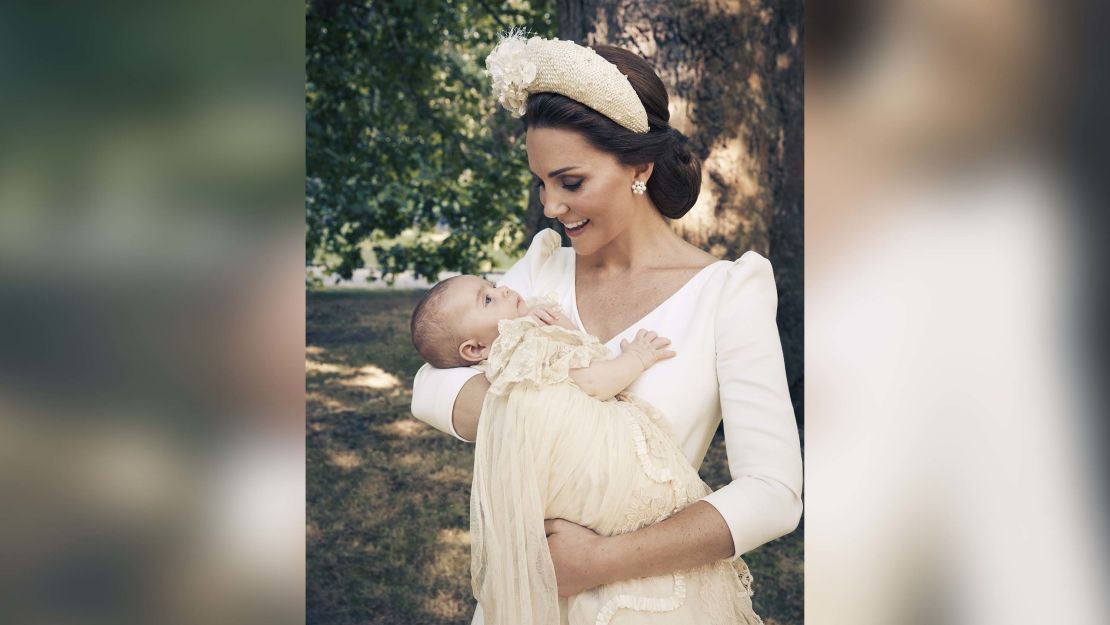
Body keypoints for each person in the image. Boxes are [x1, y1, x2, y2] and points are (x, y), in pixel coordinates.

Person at [410, 33, 803, 624]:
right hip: (528, 601)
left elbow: (774, 493)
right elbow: (428, 385)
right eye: (540, 182)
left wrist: (599, 560)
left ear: (639, 166)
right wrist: (549, 399)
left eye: (570, 182)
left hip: (648, 602)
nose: (550, 205)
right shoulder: (544, 269)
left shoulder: (726, 293)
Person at [409, 267, 764, 624]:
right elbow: (593, 380)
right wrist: (637, 357)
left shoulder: (517, 347)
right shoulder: (521, 347)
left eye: (494, 286)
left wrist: (558, 326)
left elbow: (575, 357)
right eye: (487, 299)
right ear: (473, 348)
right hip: (610, 483)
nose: (504, 292)